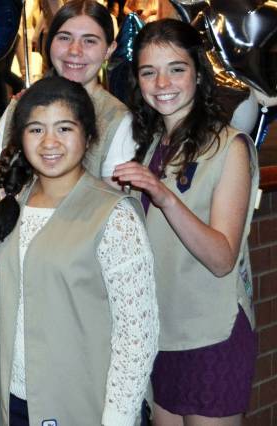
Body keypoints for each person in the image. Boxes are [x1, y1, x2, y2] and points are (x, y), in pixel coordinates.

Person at [0, 76, 158, 426]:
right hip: (13, 402)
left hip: (84, 403)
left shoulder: (114, 215)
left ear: (88, 136)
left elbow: (136, 333)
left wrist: (118, 418)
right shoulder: (9, 207)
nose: (49, 143)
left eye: (63, 128)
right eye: (35, 130)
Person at [113, 19, 260, 425]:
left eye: (176, 68)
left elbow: (221, 258)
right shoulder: (148, 147)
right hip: (158, 334)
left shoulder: (228, 146)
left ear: (198, 72)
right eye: (149, 71)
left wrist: (164, 196)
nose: (162, 82)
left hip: (211, 334)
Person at [0, 0, 133, 223]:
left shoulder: (117, 119)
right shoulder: (21, 104)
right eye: (64, 37)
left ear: (109, 49)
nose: (74, 51)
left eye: (89, 41)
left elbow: (112, 213)